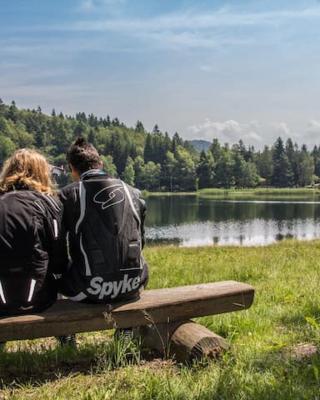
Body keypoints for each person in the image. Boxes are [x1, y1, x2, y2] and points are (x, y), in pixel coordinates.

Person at [58, 137, 148, 303]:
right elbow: (142, 241)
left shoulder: (68, 195)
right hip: (134, 285)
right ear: (100, 163)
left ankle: (67, 330)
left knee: (55, 274)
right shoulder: (133, 192)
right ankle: (126, 329)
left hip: (89, 290)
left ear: (72, 169)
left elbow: (58, 251)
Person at [0, 149, 67, 317]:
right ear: (42, 173)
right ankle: (66, 335)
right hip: (39, 299)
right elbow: (59, 259)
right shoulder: (50, 204)